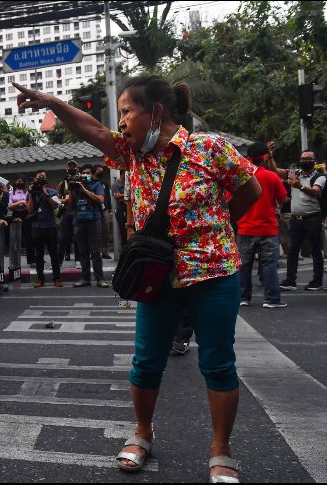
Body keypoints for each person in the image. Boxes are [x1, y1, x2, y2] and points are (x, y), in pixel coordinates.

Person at [13, 75, 261, 483]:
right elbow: (90, 128)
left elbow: (249, 190)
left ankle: (221, 450)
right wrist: (50, 101)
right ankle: (142, 433)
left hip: (214, 273)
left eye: (127, 110)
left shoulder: (209, 149)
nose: (121, 121)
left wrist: (219, 226)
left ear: (156, 113)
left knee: (218, 362)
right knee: (146, 362)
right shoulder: (130, 153)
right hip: (156, 277)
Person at [237, 142, 288, 307]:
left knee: (244, 266)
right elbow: (283, 199)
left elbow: (230, 199)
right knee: (269, 264)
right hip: (268, 229)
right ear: (265, 158)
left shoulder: (240, 176)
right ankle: (272, 299)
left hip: (245, 228)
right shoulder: (272, 177)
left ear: (248, 158)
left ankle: (243, 297)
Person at [279, 149, 325, 291]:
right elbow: (276, 170)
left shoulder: (320, 177)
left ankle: (317, 281)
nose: (305, 161)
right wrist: (270, 156)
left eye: (308, 159)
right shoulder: (296, 173)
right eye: (303, 158)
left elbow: (315, 191)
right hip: (295, 220)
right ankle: (290, 281)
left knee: (316, 250)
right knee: (292, 250)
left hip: (313, 218)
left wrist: (299, 186)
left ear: (314, 161)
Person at [70, 164, 108, 288]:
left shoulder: (97, 185)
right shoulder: (77, 187)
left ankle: (100, 279)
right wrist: (72, 190)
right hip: (79, 222)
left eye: (87, 173)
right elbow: (71, 206)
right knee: (83, 252)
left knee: (95, 251)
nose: (85, 175)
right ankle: (85, 278)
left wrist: (84, 190)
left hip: (94, 221)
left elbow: (100, 199)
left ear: (92, 174)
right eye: (83, 173)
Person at [26, 170, 62, 288]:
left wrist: (45, 192)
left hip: (50, 227)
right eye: (39, 177)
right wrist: (31, 194)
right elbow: (30, 210)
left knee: (54, 254)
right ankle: (40, 279)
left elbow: (55, 206)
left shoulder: (52, 192)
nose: (41, 179)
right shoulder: (32, 193)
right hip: (37, 227)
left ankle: (57, 278)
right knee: (39, 255)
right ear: (35, 179)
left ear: (46, 179)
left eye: (43, 177)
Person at [56, 161, 79, 265]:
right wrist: (64, 200)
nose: (72, 168)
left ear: (77, 169)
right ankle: (59, 262)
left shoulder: (80, 182)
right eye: (69, 167)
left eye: (73, 166)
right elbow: (57, 199)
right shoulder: (62, 183)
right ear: (66, 169)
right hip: (66, 213)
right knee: (63, 238)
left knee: (77, 238)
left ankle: (78, 261)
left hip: (78, 214)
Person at [8, 174, 33, 264]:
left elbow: (30, 203)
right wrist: (21, 202)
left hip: (26, 214)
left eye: (22, 181)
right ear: (14, 182)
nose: (20, 182)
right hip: (15, 214)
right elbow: (10, 206)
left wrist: (20, 203)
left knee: (29, 237)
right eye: (18, 181)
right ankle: (14, 260)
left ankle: (31, 260)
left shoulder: (27, 192)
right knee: (16, 237)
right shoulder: (11, 193)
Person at [94, 165, 113, 258]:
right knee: (95, 232)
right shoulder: (91, 183)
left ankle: (105, 252)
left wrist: (110, 210)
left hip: (104, 209)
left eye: (101, 171)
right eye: (98, 170)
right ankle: (94, 251)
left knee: (106, 231)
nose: (100, 172)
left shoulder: (105, 183)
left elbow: (108, 197)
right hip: (94, 209)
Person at [111, 173, 128, 245]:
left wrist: (122, 195)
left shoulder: (128, 183)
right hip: (121, 211)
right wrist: (128, 195)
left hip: (129, 210)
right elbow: (117, 198)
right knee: (123, 234)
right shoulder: (115, 185)